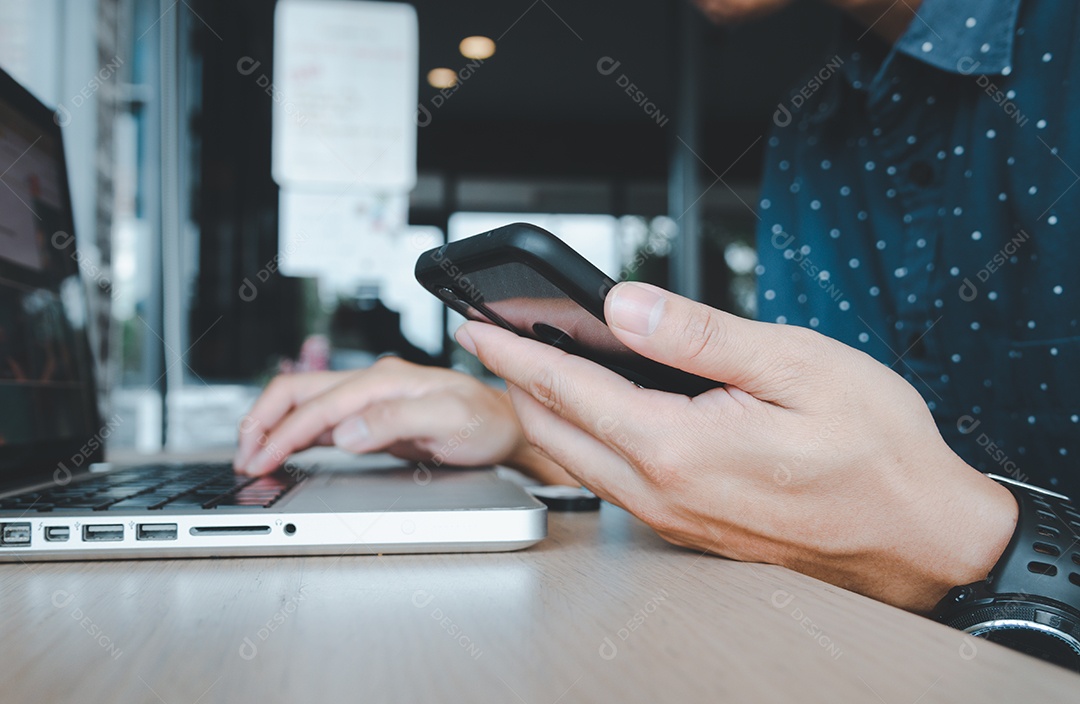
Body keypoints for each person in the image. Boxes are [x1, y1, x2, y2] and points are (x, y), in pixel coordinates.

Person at [235, 0, 1076, 619]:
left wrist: (981, 548)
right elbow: (804, 481)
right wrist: (520, 419)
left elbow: (896, 516)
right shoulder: (818, 123)